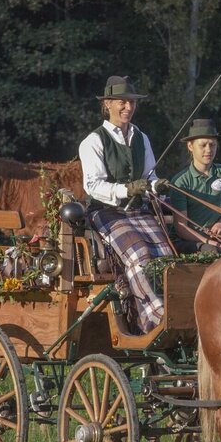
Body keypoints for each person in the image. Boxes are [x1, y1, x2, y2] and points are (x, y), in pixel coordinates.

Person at [78, 75, 171, 333]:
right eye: (122, 102)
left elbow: (149, 176)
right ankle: (153, 318)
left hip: (138, 210)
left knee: (165, 255)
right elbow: (93, 186)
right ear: (107, 103)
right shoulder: (93, 141)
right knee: (139, 254)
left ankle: (174, 311)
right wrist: (126, 189)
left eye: (132, 102)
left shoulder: (141, 137)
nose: (128, 107)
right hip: (106, 212)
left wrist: (156, 186)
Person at [168, 119, 221, 254]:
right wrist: (210, 242)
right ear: (190, 146)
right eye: (203, 145)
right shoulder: (180, 182)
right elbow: (182, 229)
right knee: (214, 252)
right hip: (187, 241)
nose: (208, 150)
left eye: (212, 145)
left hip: (219, 239)